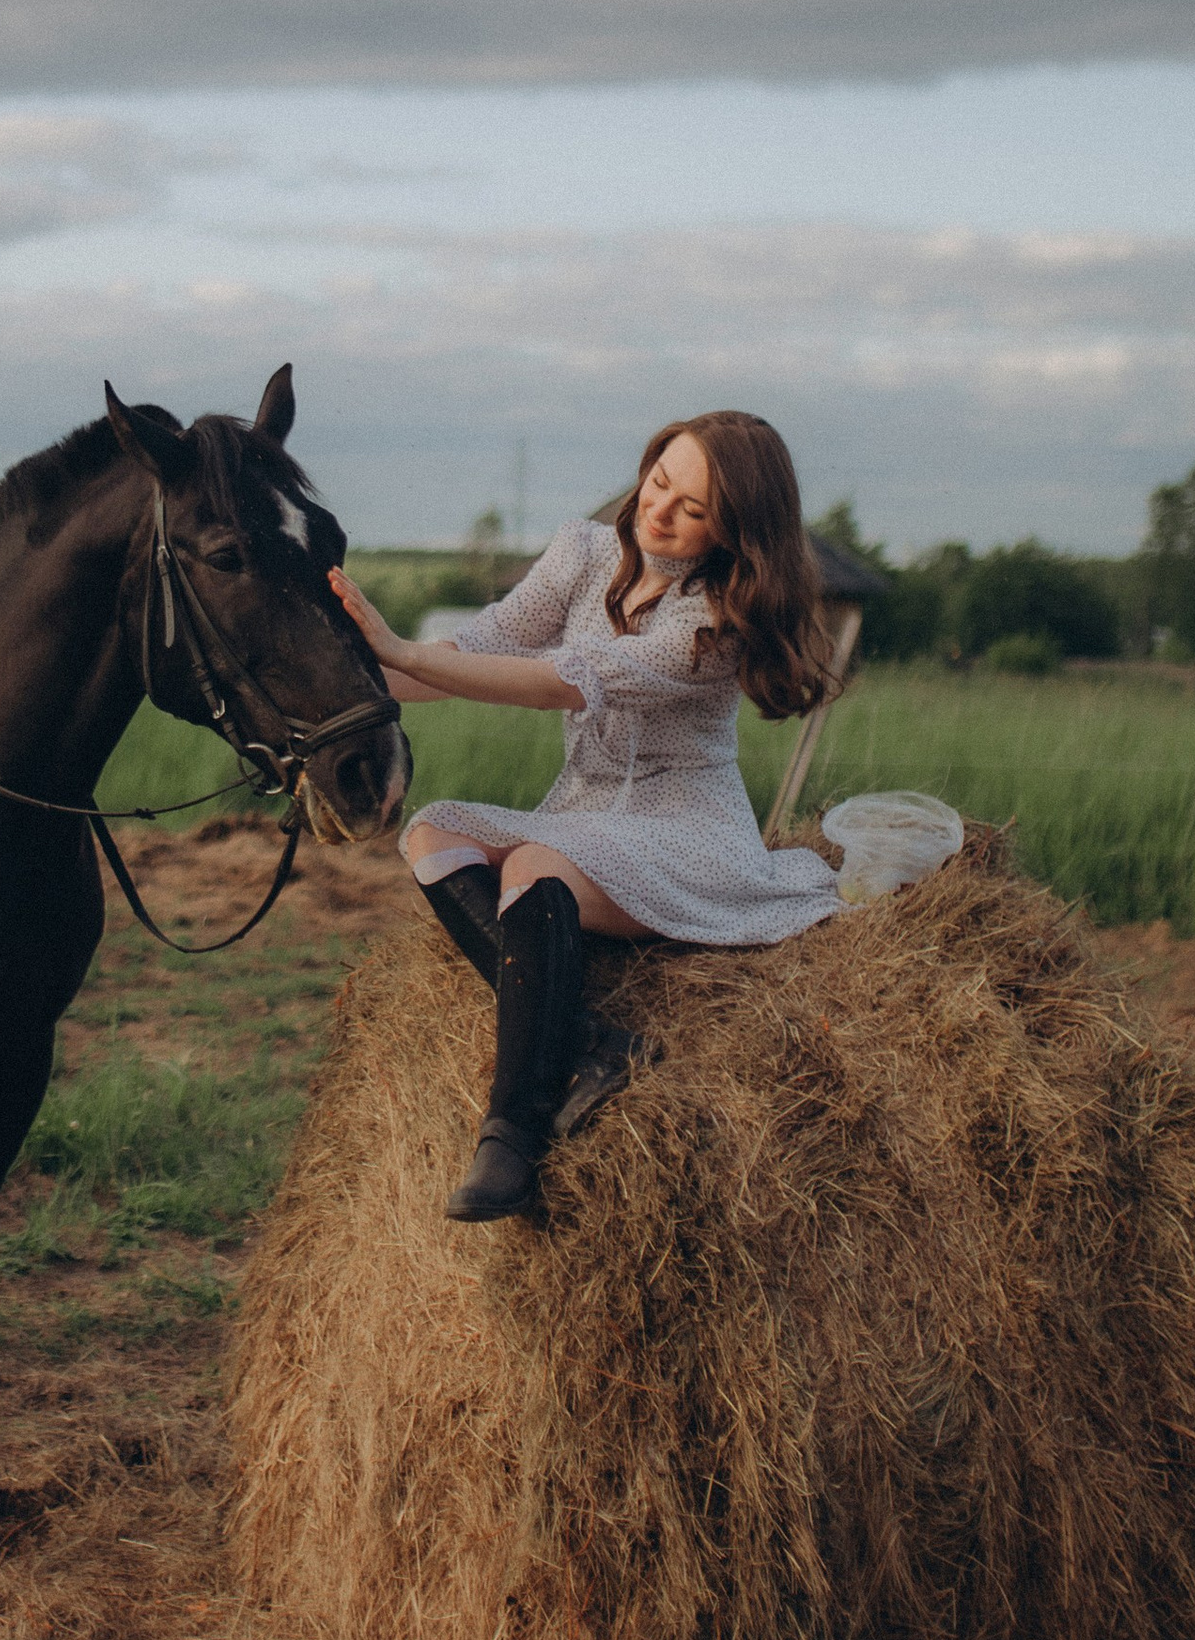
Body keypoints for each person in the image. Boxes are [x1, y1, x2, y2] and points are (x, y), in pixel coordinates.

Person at [331, 412, 841, 1225]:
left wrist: (406, 651)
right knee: (430, 832)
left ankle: (511, 1139)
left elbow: (562, 680)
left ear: (734, 532)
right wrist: (336, 684)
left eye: (694, 508)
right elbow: (485, 644)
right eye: (660, 480)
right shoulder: (583, 552)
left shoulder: (712, 625)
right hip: (585, 813)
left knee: (534, 866)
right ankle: (589, 1046)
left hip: (685, 832)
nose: (660, 509)